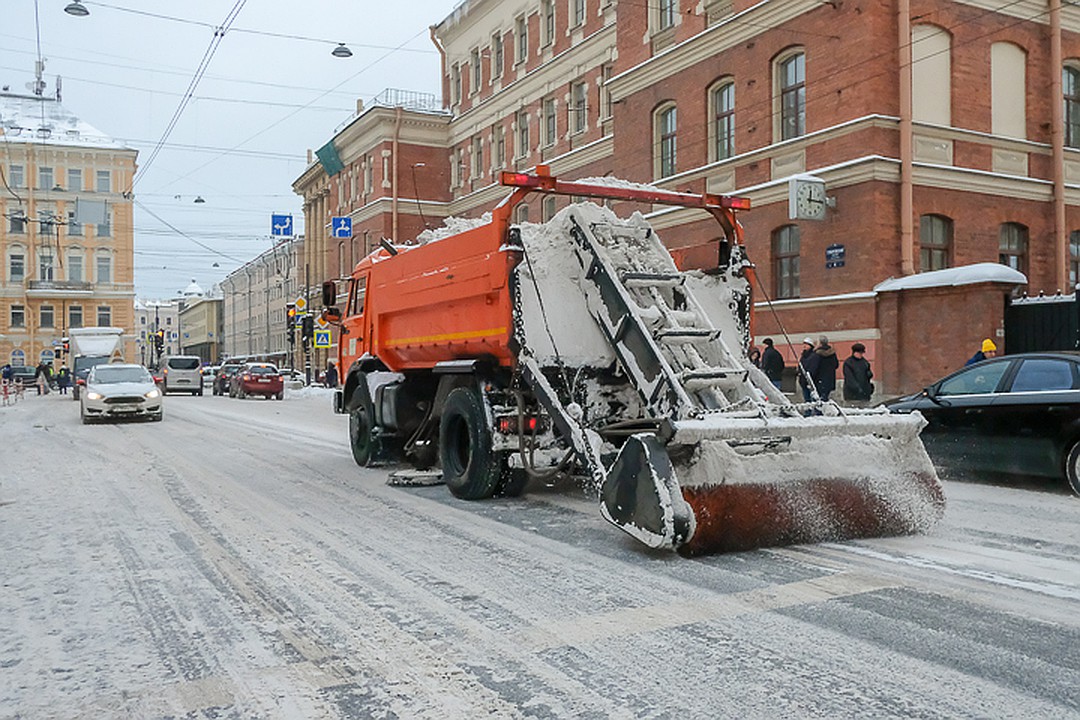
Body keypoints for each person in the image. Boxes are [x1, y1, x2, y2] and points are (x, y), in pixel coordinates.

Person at [812, 335, 840, 402]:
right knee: (825, 399)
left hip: (819, 380)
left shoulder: (817, 354)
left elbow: (814, 367)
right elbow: (836, 365)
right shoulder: (832, 353)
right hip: (830, 380)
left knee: (818, 402)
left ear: (820, 343)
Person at [797, 338, 818, 403]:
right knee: (806, 399)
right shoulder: (803, 355)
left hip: (811, 380)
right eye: (804, 344)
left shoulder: (814, 355)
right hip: (803, 380)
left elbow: (812, 367)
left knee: (813, 399)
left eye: (806, 344)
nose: (804, 346)